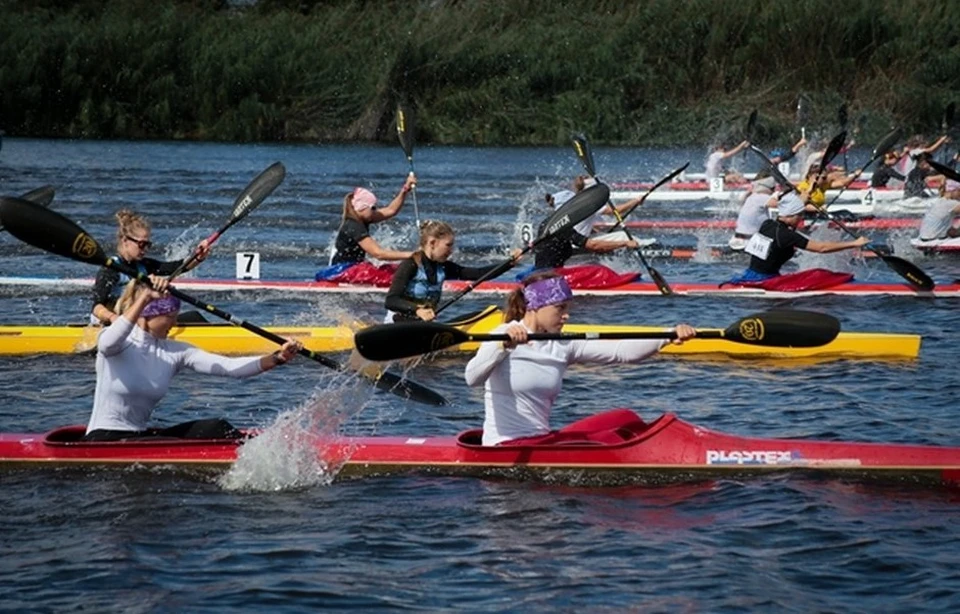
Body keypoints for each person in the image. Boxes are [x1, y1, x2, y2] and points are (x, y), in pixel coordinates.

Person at [464, 272, 696, 446]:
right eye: (560, 308)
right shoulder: (503, 333)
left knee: (624, 419)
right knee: (607, 439)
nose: (567, 315)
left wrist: (667, 335)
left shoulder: (563, 343)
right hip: (505, 444)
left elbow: (621, 352)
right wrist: (502, 346)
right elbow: (472, 378)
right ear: (534, 307)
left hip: (540, 439)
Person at [83, 278, 303, 441]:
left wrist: (278, 357)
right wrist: (144, 297)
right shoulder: (116, 343)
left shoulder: (176, 352)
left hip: (137, 436)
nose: (175, 323)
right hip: (103, 439)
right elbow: (107, 343)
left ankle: (260, 449)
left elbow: (229, 368)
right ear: (147, 313)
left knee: (218, 427)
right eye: (170, 317)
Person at [91, 209, 210, 325]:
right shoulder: (110, 269)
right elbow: (96, 306)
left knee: (195, 317)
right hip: (112, 326)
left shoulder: (144, 265)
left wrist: (198, 256)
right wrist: (114, 319)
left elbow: (177, 267)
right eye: (142, 244)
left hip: (136, 323)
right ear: (125, 240)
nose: (145, 250)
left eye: (148, 245)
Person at [384, 220, 518, 322]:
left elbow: (479, 274)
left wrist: (509, 263)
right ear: (432, 243)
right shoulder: (410, 265)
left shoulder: (444, 267)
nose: (451, 250)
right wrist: (418, 310)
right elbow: (391, 300)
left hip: (424, 325)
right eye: (448, 245)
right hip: (398, 322)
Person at [734, 193, 870, 281]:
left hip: (751, 274)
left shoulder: (767, 224)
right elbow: (821, 248)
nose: (801, 219)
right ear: (790, 216)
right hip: (765, 280)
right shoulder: (787, 236)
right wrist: (854, 243)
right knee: (821, 276)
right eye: (800, 216)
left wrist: (802, 200)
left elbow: (787, 211)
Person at [532, 185, 641, 269]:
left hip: (554, 262)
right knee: (622, 237)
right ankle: (640, 245)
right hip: (563, 262)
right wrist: (625, 243)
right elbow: (592, 245)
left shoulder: (546, 223)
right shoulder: (566, 225)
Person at [329, 173, 417, 266]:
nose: (375, 210)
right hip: (342, 270)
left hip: (353, 267)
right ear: (361, 207)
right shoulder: (354, 226)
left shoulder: (363, 217)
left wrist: (405, 189)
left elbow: (391, 210)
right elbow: (378, 254)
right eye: (373, 208)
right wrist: (412, 255)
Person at [729, 174, 778, 250]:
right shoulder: (762, 197)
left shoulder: (751, 197)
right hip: (750, 242)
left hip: (737, 240)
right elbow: (783, 205)